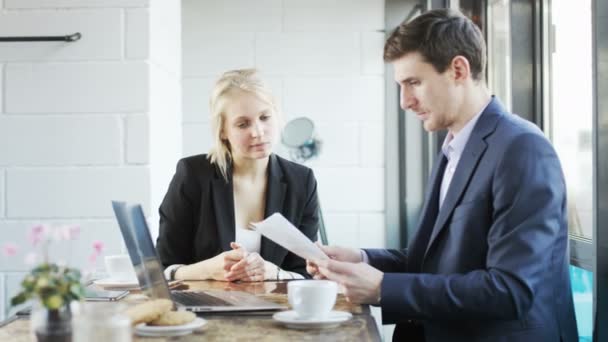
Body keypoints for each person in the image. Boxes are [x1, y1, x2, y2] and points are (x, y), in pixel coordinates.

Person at [307, 8, 578, 342]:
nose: (405, 101)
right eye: (401, 85)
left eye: (414, 83)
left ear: (458, 69)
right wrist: (361, 259)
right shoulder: (455, 146)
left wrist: (381, 288)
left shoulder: (523, 149)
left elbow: (511, 290)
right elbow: (436, 264)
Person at [157, 68, 320, 282]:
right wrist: (207, 270)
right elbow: (162, 267)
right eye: (243, 124)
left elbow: (308, 272)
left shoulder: (302, 181)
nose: (258, 132)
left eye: (264, 117)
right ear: (223, 131)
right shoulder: (193, 175)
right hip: (205, 309)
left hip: (277, 311)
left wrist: (275, 273)